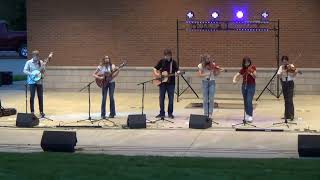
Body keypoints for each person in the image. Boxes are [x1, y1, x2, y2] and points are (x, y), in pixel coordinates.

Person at [23, 50, 52, 118]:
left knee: (40, 97)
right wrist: (32, 73)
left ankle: (41, 112)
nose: (37, 58)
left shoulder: (41, 62)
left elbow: (43, 71)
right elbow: (24, 70)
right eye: (35, 56)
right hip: (31, 82)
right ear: (33, 56)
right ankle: (32, 112)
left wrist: (43, 68)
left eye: (37, 56)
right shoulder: (29, 62)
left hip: (39, 82)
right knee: (32, 97)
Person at [153, 49, 180, 119]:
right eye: (166, 56)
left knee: (171, 98)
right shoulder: (161, 61)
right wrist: (157, 74)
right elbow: (154, 68)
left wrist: (178, 73)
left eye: (168, 56)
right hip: (162, 83)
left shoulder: (173, 62)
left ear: (171, 55)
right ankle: (162, 113)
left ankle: (170, 113)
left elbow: (177, 70)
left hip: (171, 83)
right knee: (161, 98)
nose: (167, 57)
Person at [197, 53, 223, 118]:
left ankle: (210, 113)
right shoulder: (200, 65)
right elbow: (199, 75)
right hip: (205, 82)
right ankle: (205, 113)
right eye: (207, 58)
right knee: (205, 99)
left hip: (212, 82)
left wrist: (219, 71)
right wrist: (207, 74)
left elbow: (215, 74)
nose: (209, 60)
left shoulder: (212, 65)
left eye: (209, 58)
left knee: (211, 98)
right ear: (204, 59)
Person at [233, 56, 257, 122]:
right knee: (245, 101)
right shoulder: (243, 69)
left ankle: (250, 115)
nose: (247, 64)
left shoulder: (253, 67)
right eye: (246, 63)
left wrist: (251, 73)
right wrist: (234, 80)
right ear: (244, 63)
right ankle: (247, 114)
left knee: (249, 100)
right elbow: (236, 75)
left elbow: (255, 76)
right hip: (244, 86)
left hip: (251, 86)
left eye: (248, 62)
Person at [277, 56, 298, 120]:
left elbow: (294, 74)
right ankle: (286, 115)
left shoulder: (291, 66)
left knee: (290, 99)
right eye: (283, 61)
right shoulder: (281, 67)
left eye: (285, 60)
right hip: (284, 84)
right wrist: (282, 73)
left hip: (290, 83)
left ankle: (291, 115)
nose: (284, 62)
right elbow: (278, 76)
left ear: (287, 61)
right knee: (286, 100)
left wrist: (294, 72)